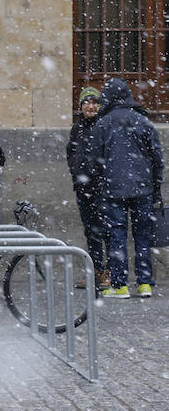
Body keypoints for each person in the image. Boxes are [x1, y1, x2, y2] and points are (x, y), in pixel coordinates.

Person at [92, 78, 163, 298]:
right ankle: (144, 283)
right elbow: (157, 158)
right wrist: (156, 186)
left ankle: (120, 285)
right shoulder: (143, 121)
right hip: (143, 187)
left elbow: (95, 160)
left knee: (117, 235)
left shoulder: (103, 123)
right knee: (142, 236)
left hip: (114, 189)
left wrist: (101, 182)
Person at [66, 87, 110, 289]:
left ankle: (110, 272)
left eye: (94, 103)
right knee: (91, 232)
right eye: (86, 103)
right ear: (81, 106)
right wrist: (77, 175)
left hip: (102, 188)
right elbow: (71, 153)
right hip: (83, 189)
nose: (91, 106)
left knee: (107, 231)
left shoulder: (104, 126)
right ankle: (96, 271)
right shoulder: (78, 128)